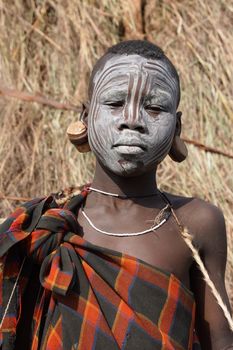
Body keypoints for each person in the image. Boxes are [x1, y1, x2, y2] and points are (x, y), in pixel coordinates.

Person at [0, 40, 232, 350]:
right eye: (114, 102)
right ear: (85, 116)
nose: (132, 120)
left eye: (154, 107)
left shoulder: (196, 222)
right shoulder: (44, 226)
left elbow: (221, 342)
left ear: (176, 127)